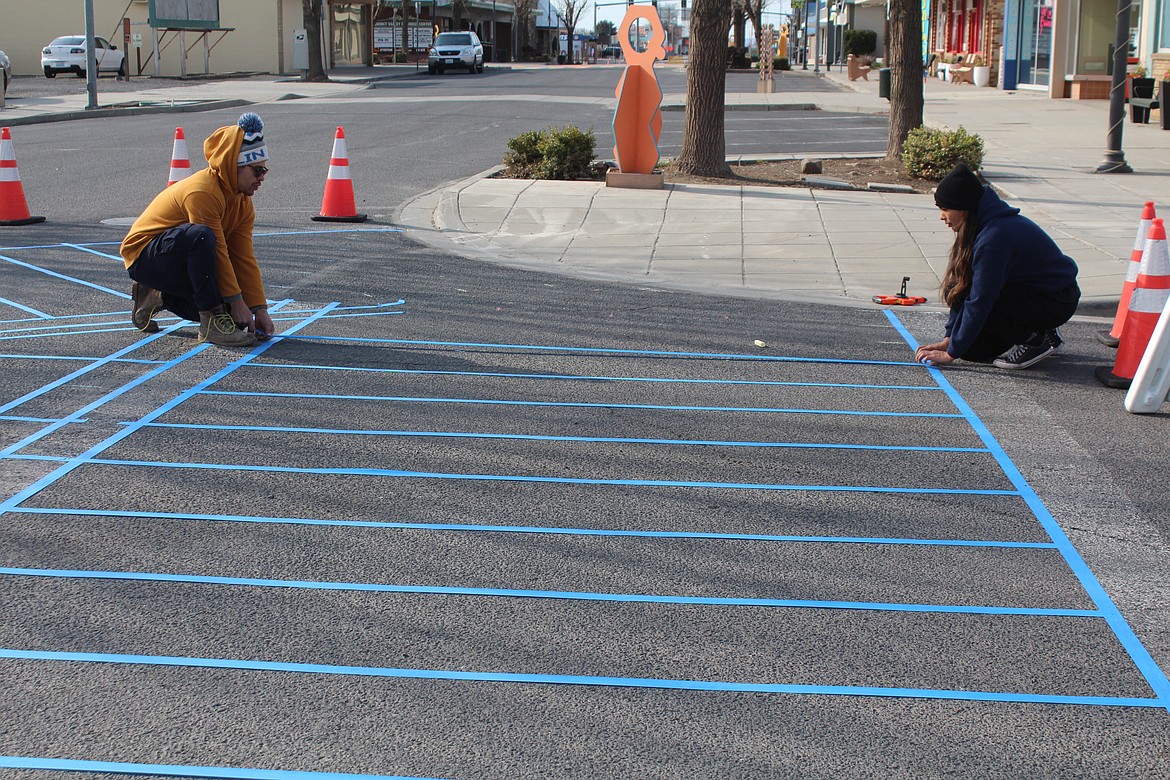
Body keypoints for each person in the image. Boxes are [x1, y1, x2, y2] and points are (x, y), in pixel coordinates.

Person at [120, 112, 276, 348]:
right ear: (234, 166)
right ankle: (210, 324)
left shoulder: (243, 200)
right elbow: (218, 250)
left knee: (232, 313)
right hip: (143, 255)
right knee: (201, 236)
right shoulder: (203, 192)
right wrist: (236, 301)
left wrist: (258, 308)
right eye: (257, 171)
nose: (262, 178)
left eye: (264, 171)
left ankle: (156, 295)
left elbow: (243, 256)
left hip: (177, 258)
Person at [914, 162, 1080, 370]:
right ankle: (1044, 330)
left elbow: (980, 299)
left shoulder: (995, 237)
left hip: (1055, 299)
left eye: (945, 209)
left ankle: (1035, 340)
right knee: (972, 350)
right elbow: (961, 287)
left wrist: (951, 354)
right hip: (1029, 294)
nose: (941, 216)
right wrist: (950, 340)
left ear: (964, 208)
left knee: (979, 305)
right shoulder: (979, 227)